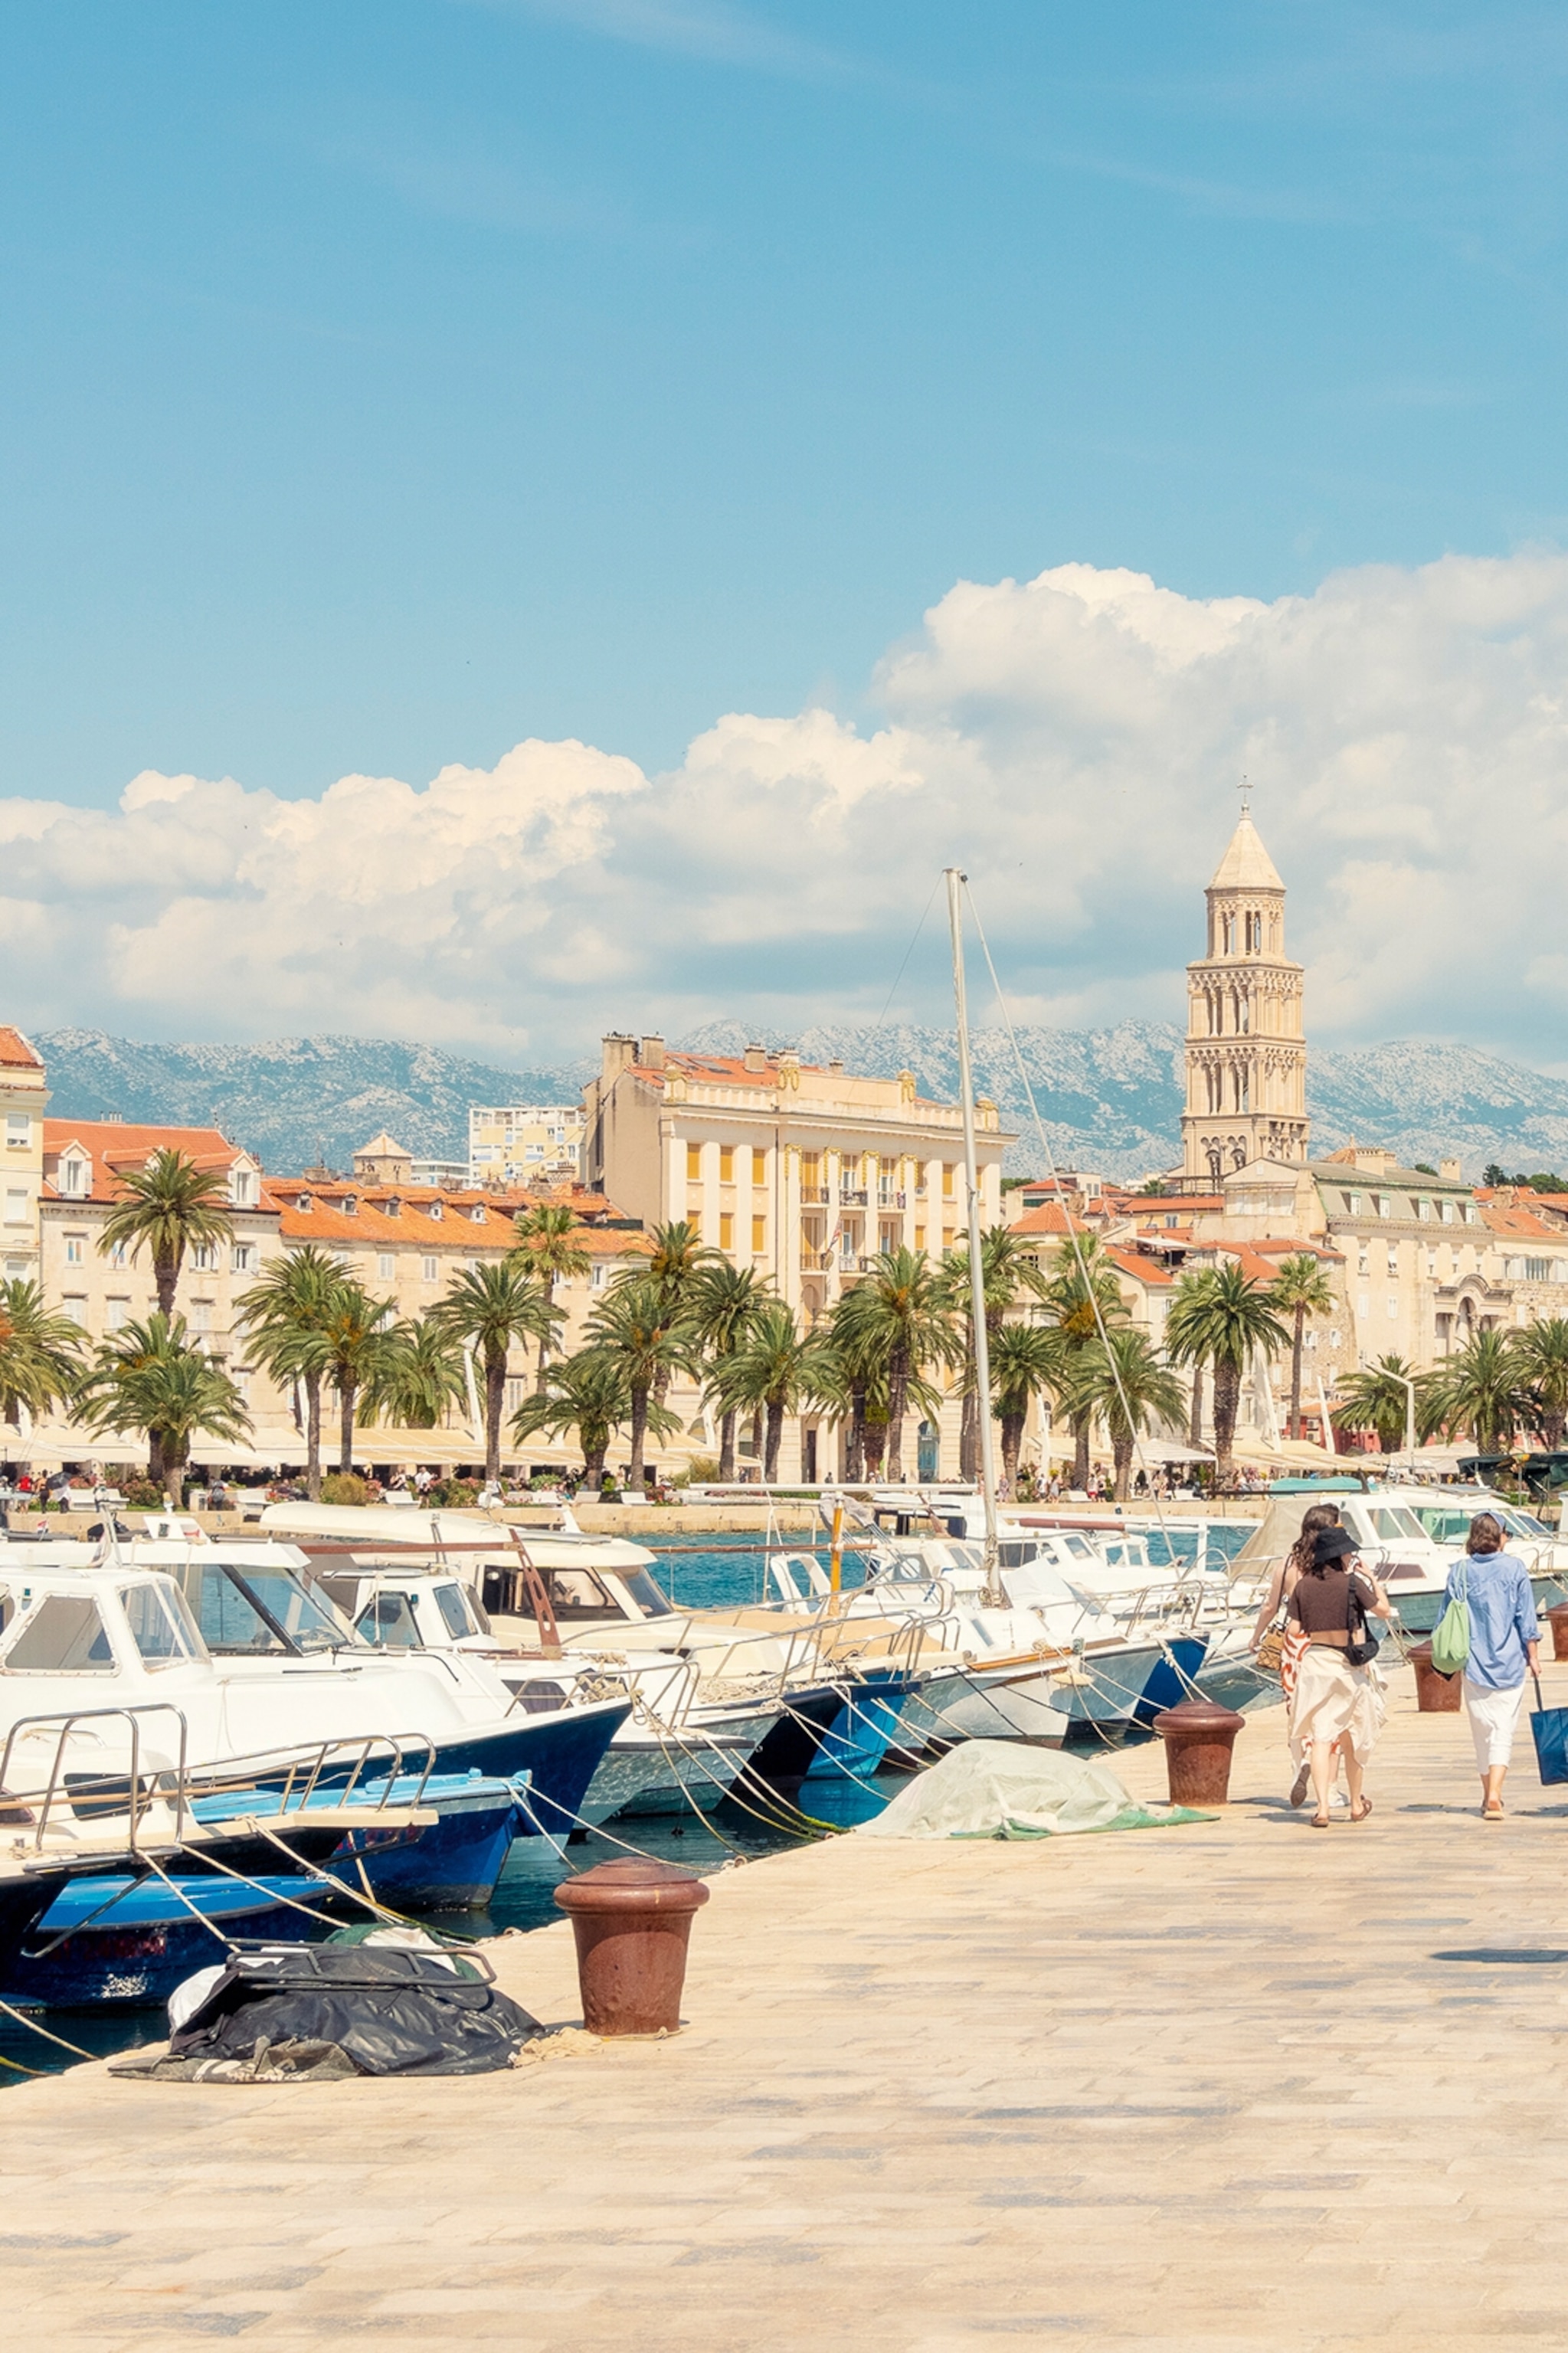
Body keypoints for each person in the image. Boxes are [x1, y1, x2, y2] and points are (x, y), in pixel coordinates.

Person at [1286, 1526, 1393, 1828]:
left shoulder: (1304, 1586)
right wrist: (1372, 1578)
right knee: (1353, 1736)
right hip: (1347, 1667)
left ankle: (1322, 1809)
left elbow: (1294, 1631)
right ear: (1338, 1555)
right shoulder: (1352, 1584)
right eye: (1348, 1551)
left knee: (1321, 1738)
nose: (1350, 1556)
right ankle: (1356, 1804)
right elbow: (1383, 1610)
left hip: (1315, 1665)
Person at [1447, 1510, 1540, 1821]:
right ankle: (1495, 1796)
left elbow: (1446, 1617)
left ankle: (1489, 1794)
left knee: (1482, 1731)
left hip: (1473, 1661)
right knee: (1503, 1730)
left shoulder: (1459, 1571)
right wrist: (1535, 1657)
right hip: (1511, 1661)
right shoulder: (1515, 1569)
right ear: (1499, 1536)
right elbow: (1526, 1619)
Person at [1251, 1500, 1344, 1808]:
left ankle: (1300, 1765)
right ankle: (1328, 1787)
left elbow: (1270, 1606)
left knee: (1297, 1713)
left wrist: (1255, 1637)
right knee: (1330, 1715)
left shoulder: (1288, 1563)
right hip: (1326, 1642)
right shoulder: (1334, 1562)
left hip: (1293, 1648)